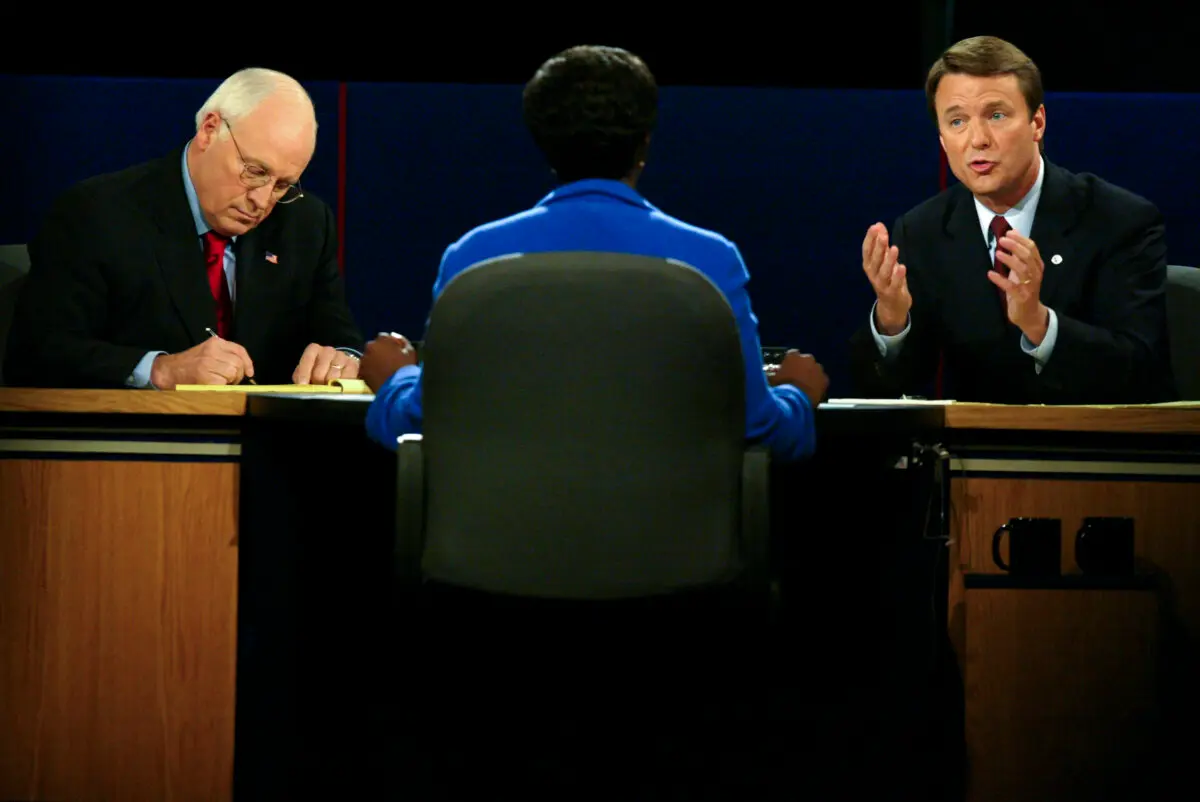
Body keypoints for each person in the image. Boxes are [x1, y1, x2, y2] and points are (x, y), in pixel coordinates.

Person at [360, 45, 827, 463]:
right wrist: (796, 395)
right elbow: (761, 430)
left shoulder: (474, 258)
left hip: (503, 554)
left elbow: (419, 425)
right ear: (645, 142)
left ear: (543, 143)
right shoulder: (710, 261)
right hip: (672, 556)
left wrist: (398, 378)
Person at [848, 36, 1175, 404]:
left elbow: (1140, 368)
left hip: (1093, 451)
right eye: (957, 121)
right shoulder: (924, 230)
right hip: (975, 454)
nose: (978, 140)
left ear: (1037, 122)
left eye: (997, 115)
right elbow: (893, 386)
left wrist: (1038, 323)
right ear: (942, 141)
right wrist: (893, 321)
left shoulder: (1119, 220)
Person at [4, 68, 364, 389]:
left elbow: (338, 334)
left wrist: (344, 359)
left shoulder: (305, 224)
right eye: (254, 171)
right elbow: (38, 352)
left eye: (283, 185)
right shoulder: (98, 214)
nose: (263, 200)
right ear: (209, 130)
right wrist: (159, 370)